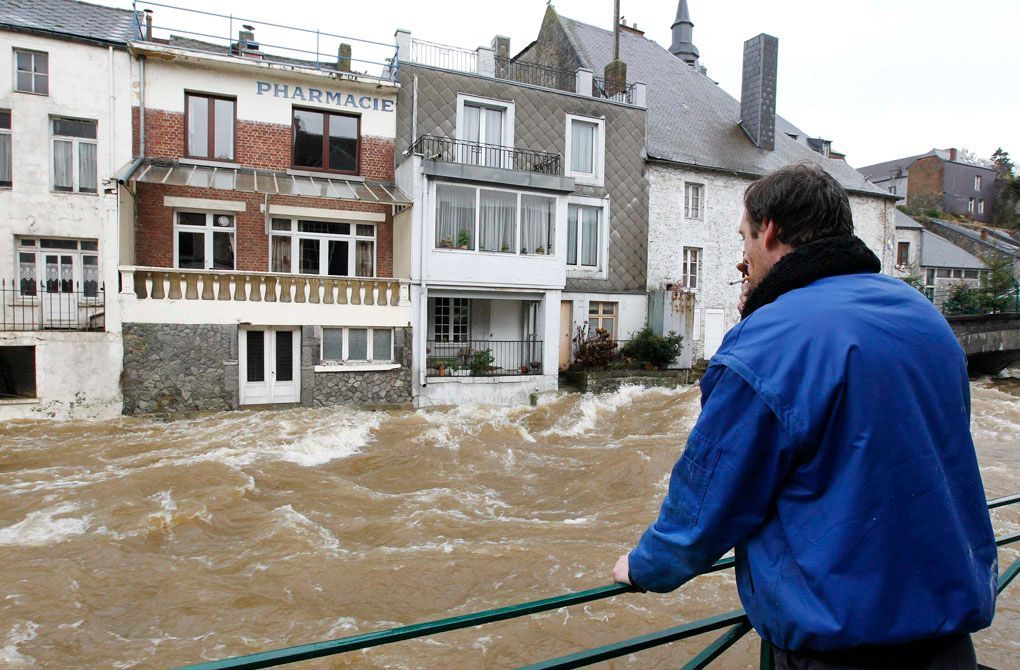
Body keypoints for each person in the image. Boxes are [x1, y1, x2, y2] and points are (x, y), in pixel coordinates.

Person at [612, 164, 998, 669]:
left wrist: (646, 567)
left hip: (838, 646)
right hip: (946, 641)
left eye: (745, 238)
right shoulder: (925, 317)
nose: (743, 258)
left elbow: (713, 493)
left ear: (769, 231)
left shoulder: (770, 340)